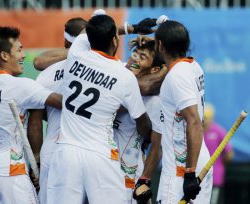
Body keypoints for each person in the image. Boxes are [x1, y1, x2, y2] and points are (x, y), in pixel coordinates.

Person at [47, 14, 152, 204]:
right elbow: (142, 122)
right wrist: (149, 136)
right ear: (114, 40)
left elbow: (84, 32)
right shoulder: (124, 76)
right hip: (100, 155)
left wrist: (128, 28)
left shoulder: (75, 52)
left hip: (66, 153)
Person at [0, 26, 61, 204]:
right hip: (10, 172)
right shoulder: (18, 85)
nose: (23, 55)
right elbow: (63, 102)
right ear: (4, 55)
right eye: (19, 50)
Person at [145, 20, 212, 203]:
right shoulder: (193, 66)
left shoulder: (176, 77)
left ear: (160, 45)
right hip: (198, 161)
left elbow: (195, 122)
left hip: (181, 170)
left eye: (156, 42)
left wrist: (189, 174)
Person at [27, 17, 87, 204]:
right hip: (88, 146)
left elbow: (35, 122)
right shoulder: (100, 68)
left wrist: (35, 156)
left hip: (53, 148)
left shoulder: (46, 73)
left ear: (65, 43)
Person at [113, 40, 164, 204]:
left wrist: (144, 180)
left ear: (155, 70)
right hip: (101, 166)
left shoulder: (155, 102)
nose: (135, 59)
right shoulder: (116, 74)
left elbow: (156, 145)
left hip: (129, 173)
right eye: (134, 54)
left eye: (142, 57)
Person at [203, 103, 233, 204]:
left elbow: (229, 154)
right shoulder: (195, 131)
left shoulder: (219, 131)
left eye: (207, 118)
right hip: (197, 177)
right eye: (203, 117)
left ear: (212, 118)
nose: (204, 120)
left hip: (214, 177)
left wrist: (219, 164)